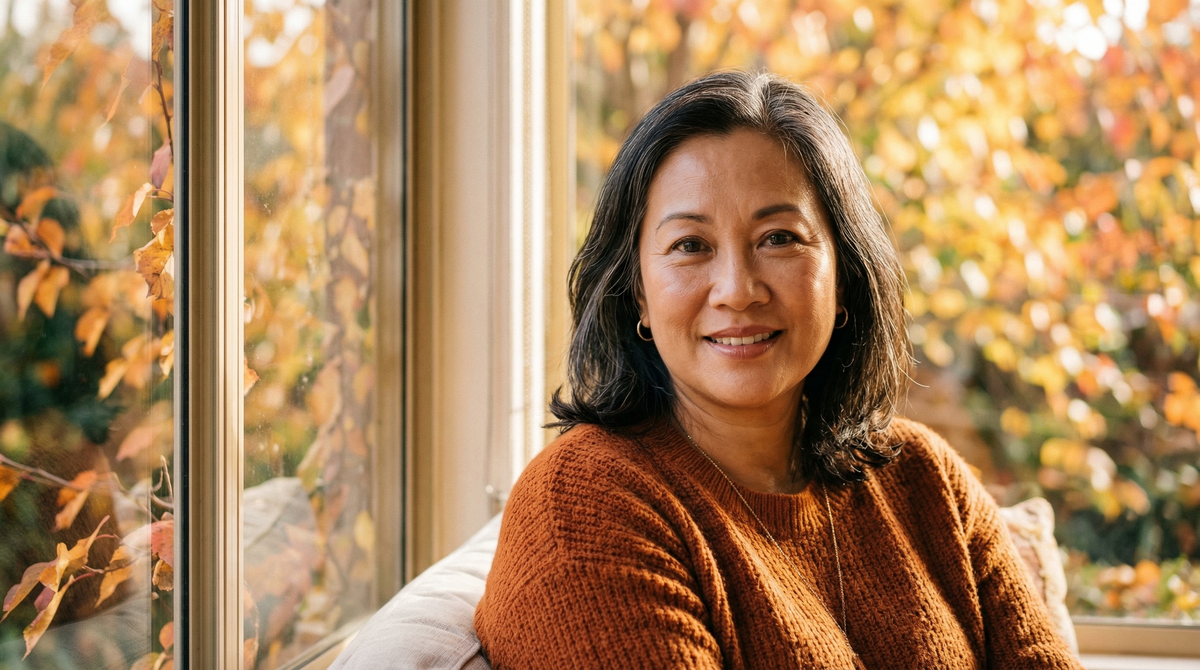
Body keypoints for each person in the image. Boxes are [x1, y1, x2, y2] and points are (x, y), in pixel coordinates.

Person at [474, 71, 1082, 670]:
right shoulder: (584, 506)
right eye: (690, 245)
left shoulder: (927, 479)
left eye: (779, 238)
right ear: (638, 294)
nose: (737, 290)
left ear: (844, 277)